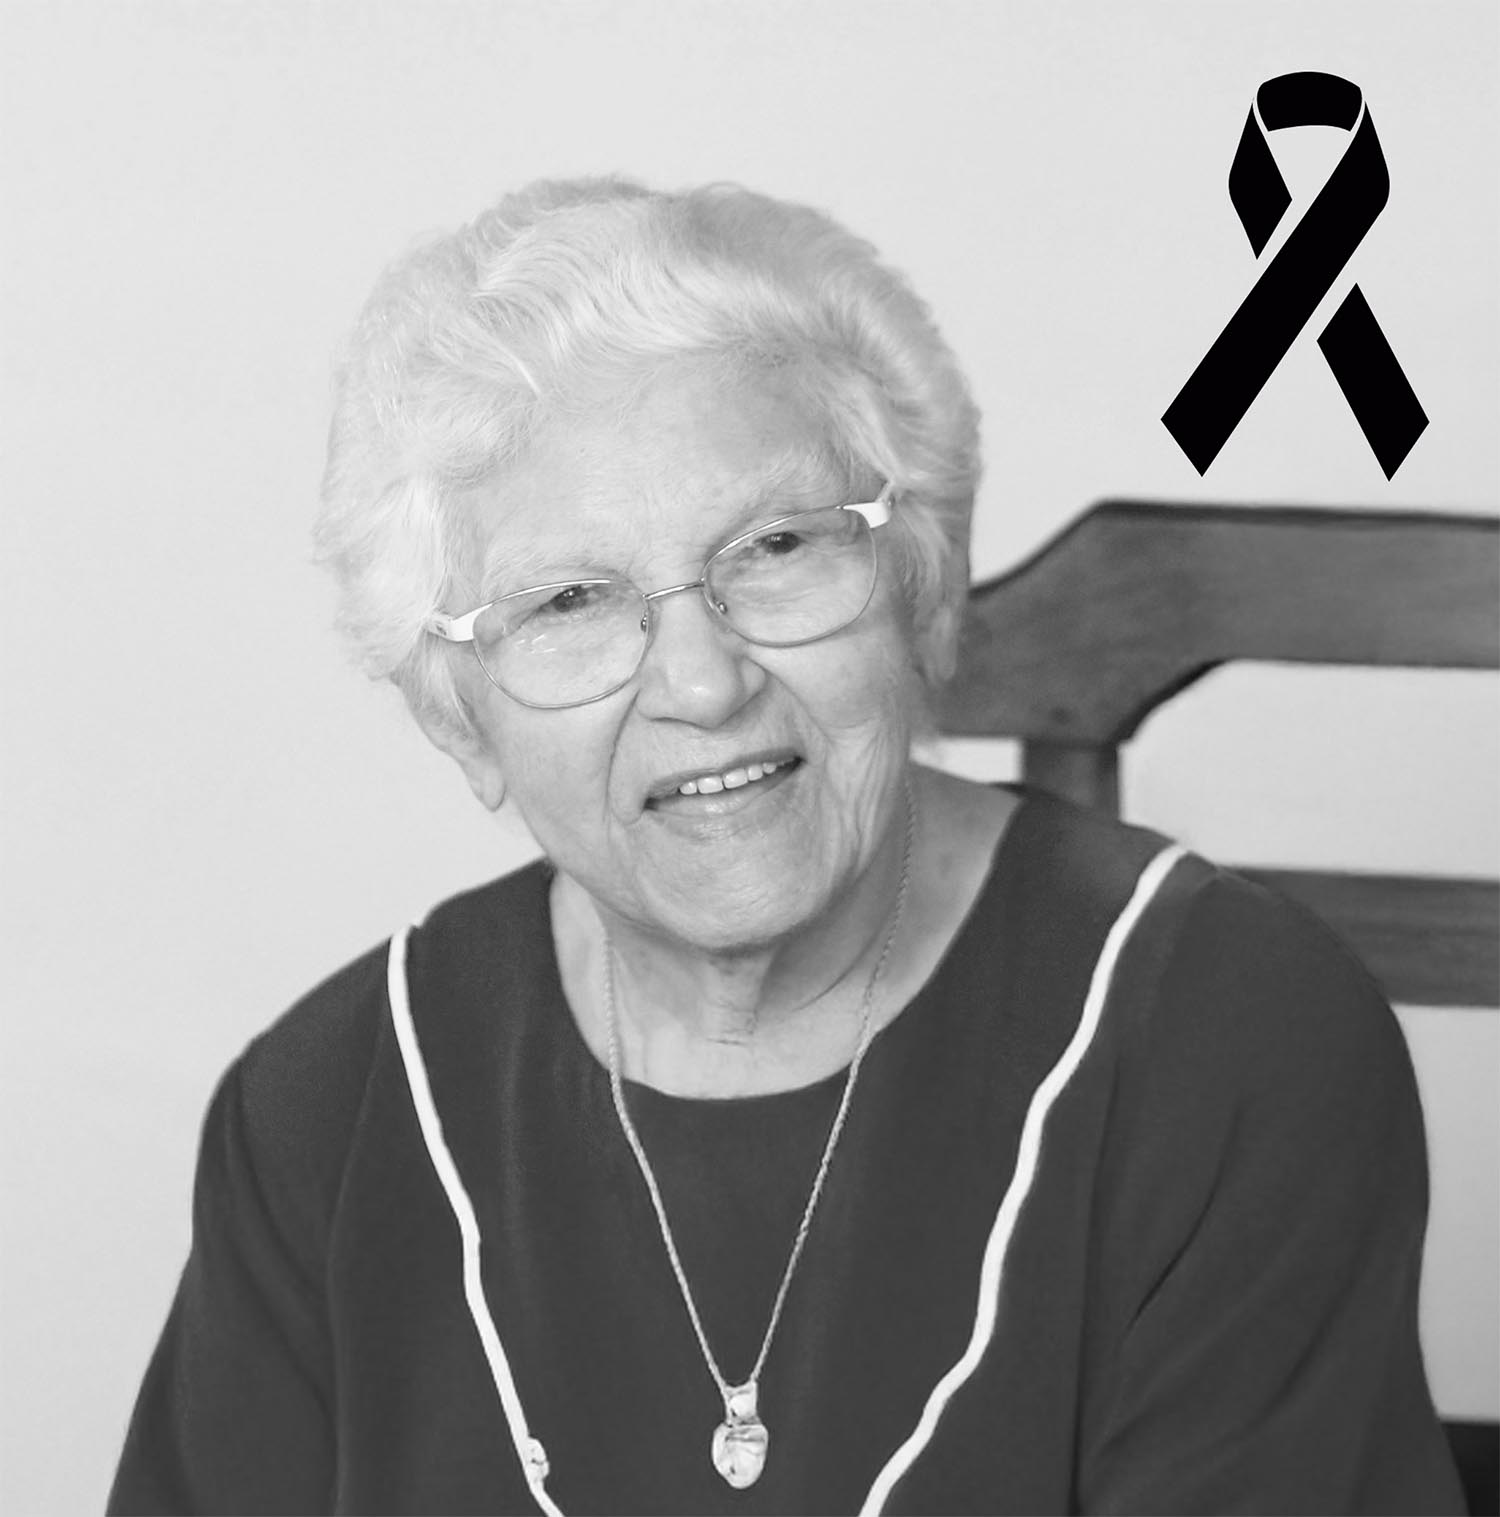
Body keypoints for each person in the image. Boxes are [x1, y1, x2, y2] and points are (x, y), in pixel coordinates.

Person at [108, 177, 1464, 1516]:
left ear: (920, 590)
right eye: (570, 601)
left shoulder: (1229, 1043)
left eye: (773, 546)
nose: (702, 682)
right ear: (460, 718)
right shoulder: (327, 1116)